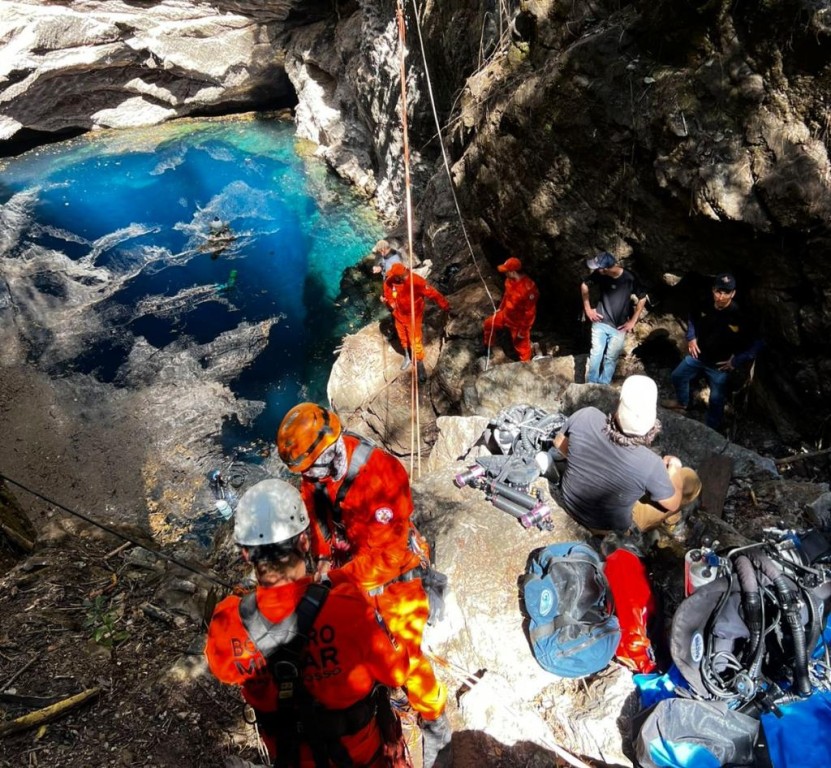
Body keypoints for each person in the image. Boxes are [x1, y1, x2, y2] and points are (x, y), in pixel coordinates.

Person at [276, 403, 451, 768]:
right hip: (349, 566)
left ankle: (435, 722)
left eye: (309, 469)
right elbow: (318, 518)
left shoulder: (381, 476)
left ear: (329, 451)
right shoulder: (316, 473)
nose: (306, 477)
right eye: (303, 472)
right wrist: (322, 562)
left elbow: (389, 557)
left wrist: (334, 580)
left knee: (406, 657)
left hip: (393, 575)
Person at [205, 479, 411, 768]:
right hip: (364, 759)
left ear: (246, 553)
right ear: (304, 542)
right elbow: (396, 673)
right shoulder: (348, 609)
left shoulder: (227, 622)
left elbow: (224, 672)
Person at [552, 375, 701, 535]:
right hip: (605, 527)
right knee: (690, 479)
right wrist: (674, 469)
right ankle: (670, 523)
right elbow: (672, 503)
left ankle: (669, 522)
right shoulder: (650, 464)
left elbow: (559, 443)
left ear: (618, 404)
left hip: (570, 501)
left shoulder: (587, 415)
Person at [663, 273, 763, 430]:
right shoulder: (705, 303)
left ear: (733, 293)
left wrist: (737, 360)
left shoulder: (739, 315)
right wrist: (691, 337)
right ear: (713, 290)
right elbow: (693, 317)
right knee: (678, 376)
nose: (721, 297)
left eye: (726, 293)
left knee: (716, 399)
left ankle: (712, 427)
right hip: (698, 356)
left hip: (720, 365)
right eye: (718, 291)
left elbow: (758, 342)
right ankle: (683, 403)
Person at [580, 252, 648, 384]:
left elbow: (642, 297)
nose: (595, 270)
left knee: (611, 358)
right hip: (600, 321)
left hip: (619, 327)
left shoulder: (629, 278)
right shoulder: (600, 274)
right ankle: (591, 384)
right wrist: (588, 309)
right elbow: (584, 285)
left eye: (597, 267)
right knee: (596, 353)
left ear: (604, 269)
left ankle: (604, 385)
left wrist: (633, 321)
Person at [382, 262, 451, 383]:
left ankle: (419, 363)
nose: (391, 277)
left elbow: (433, 293)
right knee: (402, 337)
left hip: (413, 316)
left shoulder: (417, 281)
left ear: (399, 276)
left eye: (395, 276)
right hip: (398, 315)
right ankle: (408, 356)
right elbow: (387, 293)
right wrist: (390, 302)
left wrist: (445, 305)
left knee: (415, 341)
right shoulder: (390, 281)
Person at [483, 257, 539, 362]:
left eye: (506, 271)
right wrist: (500, 308)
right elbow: (506, 296)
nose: (505, 273)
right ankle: (488, 349)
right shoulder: (509, 281)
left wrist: (523, 331)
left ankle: (525, 364)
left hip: (518, 323)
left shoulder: (529, 288)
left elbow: (530, 313)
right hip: (506, 314)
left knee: (522, 348)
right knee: (488, 324)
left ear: (513, 272)